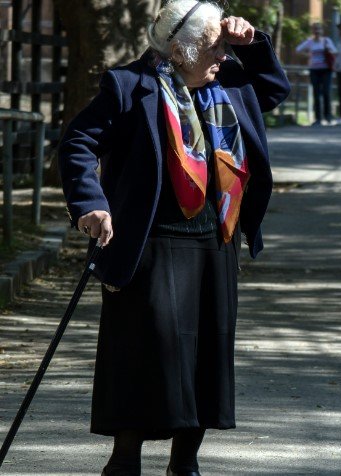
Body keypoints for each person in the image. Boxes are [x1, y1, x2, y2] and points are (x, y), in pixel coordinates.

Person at [58, 1, 290, 474]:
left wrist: (254, 44)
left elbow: (274, 89)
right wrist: (91, 204)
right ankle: (125, 460)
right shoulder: (130, 87)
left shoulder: (228, 84)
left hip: (215, 239)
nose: (222, 55)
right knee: (143, 351)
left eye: (224, 47)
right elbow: (78, 141)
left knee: (206, 352)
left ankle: (186, 462)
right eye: (213, 47)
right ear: (181, 50)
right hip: (151, 243)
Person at [296, 22, 337, 126]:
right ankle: (318, 118)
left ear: (322, 31)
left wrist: (328, 50)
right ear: (313, 31)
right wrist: (308, 55)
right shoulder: (310, 42)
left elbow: (335, 51)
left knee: (326, 92)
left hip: (326, 70)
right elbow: (298, 50)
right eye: (315, 29)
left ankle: (328, 116)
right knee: (316, 94)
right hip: (314, 70)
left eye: (319, 29)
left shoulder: (326, 41)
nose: (317, 31)